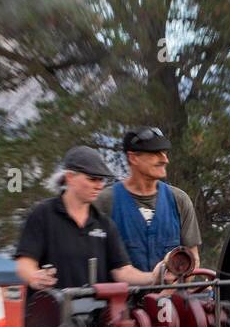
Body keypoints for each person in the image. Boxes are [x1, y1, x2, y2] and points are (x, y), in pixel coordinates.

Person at [15, 145, 172, 297]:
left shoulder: (104, 223)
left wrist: (154, 277)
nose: (99, 185)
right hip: (50, 317)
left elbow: (122, 271)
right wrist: (34, 277)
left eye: (102, 180)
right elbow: (24, 264)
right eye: (93, 179)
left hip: (94, 319)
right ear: (70, 177)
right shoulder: (43, 214)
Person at [97, 126, 202, 273]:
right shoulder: (105, 202)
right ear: (133, 158)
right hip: (122, 296)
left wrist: (169, 291)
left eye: (165, 153)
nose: (165, 159)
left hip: (171, 295)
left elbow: (193, 259)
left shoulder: (179, 200)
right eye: (155, 153)